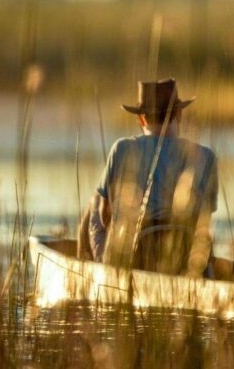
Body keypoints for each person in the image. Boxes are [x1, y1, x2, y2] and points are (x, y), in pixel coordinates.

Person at [78, 79, 218, 277]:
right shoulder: (205, 156)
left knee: (95, 202)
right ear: (179, 115)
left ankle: (103, 272)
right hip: (185, 259)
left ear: (141, 119)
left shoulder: (122, 148)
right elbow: (203, 223)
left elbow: (104, 215)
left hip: (135, 258)